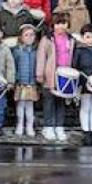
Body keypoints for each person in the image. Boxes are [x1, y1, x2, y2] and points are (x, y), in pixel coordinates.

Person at [36, 11, 76, 141]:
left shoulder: (71, 39)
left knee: (61, 102)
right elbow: (41, 57)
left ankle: (59, 126)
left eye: (64, 23)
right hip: (50, 75)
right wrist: (40, 74)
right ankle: (48, 127)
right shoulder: (47, 39)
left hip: (64, 76)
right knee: (49, 102)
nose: (61, 26)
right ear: (53, 25)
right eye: (58, 24)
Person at [11, 24, 41, 139]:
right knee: (20, 104)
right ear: (21, 37)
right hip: (21, 82)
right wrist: (15, 79)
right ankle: (19, 124)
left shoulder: (36, 51)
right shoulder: (17, 51)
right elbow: (14, 66)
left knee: (30, 105)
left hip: (32, 82)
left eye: (32, 35)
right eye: (26, 35)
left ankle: (29, 126)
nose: (29, 37)